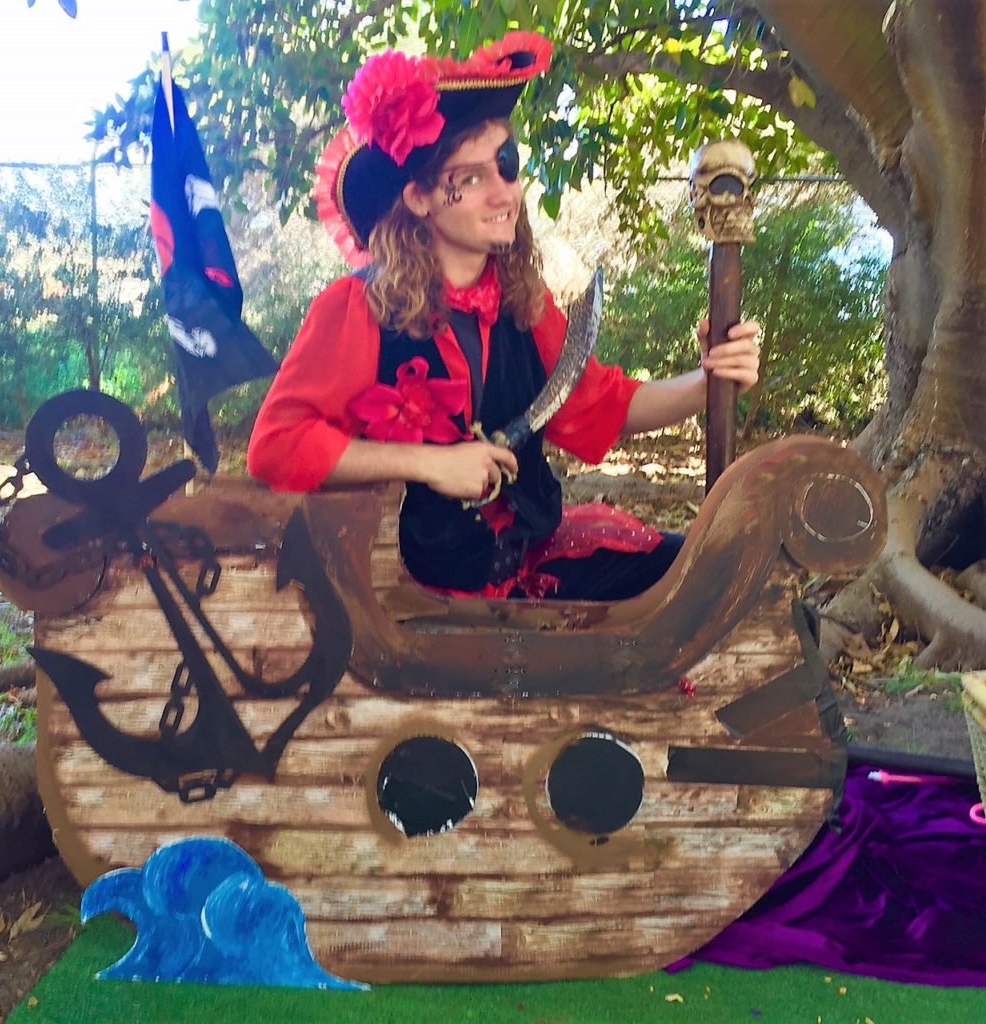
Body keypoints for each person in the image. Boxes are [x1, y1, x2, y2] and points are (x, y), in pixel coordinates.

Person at [248, 31, 760, 601]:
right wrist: (429, 465)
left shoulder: (521, 301)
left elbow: (598, 404)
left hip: (527, 561)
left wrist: (710, 377)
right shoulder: (356, 309)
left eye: (507, 166)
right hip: (411, 597)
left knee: (724, 577)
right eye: (469, 179)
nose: (504, 194)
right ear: (418, 198)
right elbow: (277, 446)